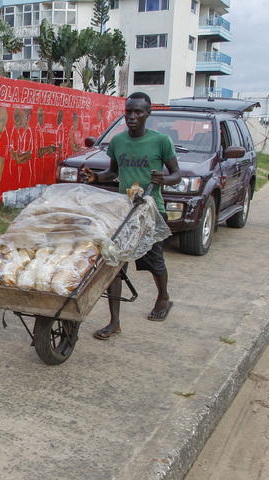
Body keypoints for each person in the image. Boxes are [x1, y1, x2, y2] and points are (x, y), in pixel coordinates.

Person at [80, 92, 181, 340]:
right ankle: (114, 322)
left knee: (155, 262)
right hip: (124, 212)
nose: (132, 117)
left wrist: (165, 179)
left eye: (138, 112)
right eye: (128, 112)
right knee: (114, 264)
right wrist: (96, 177)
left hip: (151, 210)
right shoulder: (118, 141)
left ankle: (163, 298)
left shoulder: (161, 141)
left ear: (148, 114)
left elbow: (176, 174)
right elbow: (113, 172)